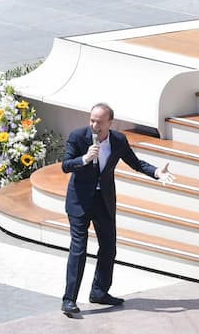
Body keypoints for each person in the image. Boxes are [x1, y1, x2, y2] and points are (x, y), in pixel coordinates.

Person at [61, 102, 175, 316]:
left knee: (109, 247)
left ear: (110, 123)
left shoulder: (118, 140)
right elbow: (65, 165)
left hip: (103, 200)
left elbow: (136, 163)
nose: (95, 125)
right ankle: (69, 300)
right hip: (79, 201)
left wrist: (156, 172)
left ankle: (99, 292)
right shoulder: (78, 137)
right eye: (92, 120)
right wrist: (85, 158)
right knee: (79, 248)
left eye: (100, 122)